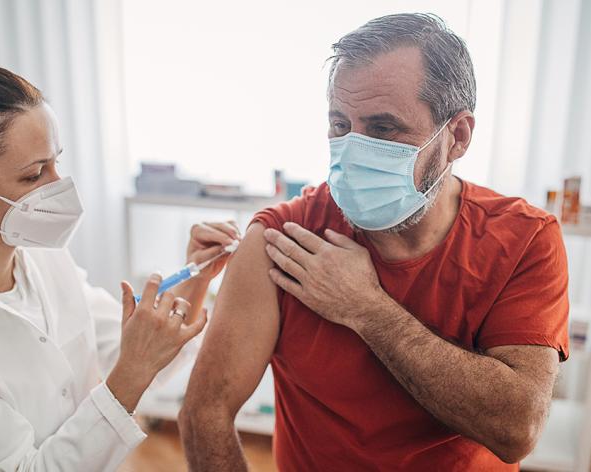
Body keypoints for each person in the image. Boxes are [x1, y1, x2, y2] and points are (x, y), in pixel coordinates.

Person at [180, 13, 569, 471]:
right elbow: (204, 413)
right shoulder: (283, 239)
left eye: (383, 129)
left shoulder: (524, 240)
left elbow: (516, 428)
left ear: (458, 135)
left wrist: (367, 309)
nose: (353, 148)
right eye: (340, 125)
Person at [0, 61, 240, 471]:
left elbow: (124, 349)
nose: (58, 187)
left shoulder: (36, 248)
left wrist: (195, 278)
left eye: (55, 161)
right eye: (35, 174)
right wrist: (132, 370)